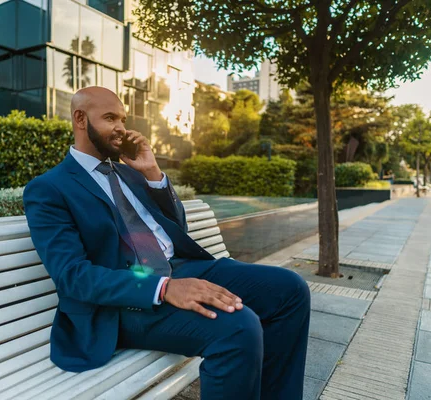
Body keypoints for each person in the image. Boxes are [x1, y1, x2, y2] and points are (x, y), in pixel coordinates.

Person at [23, 87, 310, 400]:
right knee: (238, 328)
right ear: (80, 119)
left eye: (122, 118)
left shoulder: (130, 173)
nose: (121, 127)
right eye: (110, 118)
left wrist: (153, 173)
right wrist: (163, 288)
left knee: (290, 290)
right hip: (125, 301)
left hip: (182, 268)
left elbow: (177, 229)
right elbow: (73, 276)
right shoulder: (49, 188)